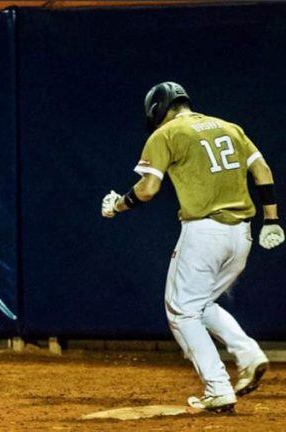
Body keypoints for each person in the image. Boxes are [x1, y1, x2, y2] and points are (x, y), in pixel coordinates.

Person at [101, 82, 283, 412]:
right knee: (202, 303)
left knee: (181, 310)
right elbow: (262, 170)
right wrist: (271, 219)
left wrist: (118, 205)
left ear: (158, 109)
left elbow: (148, 188)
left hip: (204, 232)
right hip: (242, 235)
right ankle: (249, 354)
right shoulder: (231, 128)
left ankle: (217, 388)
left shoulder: (166, 134)